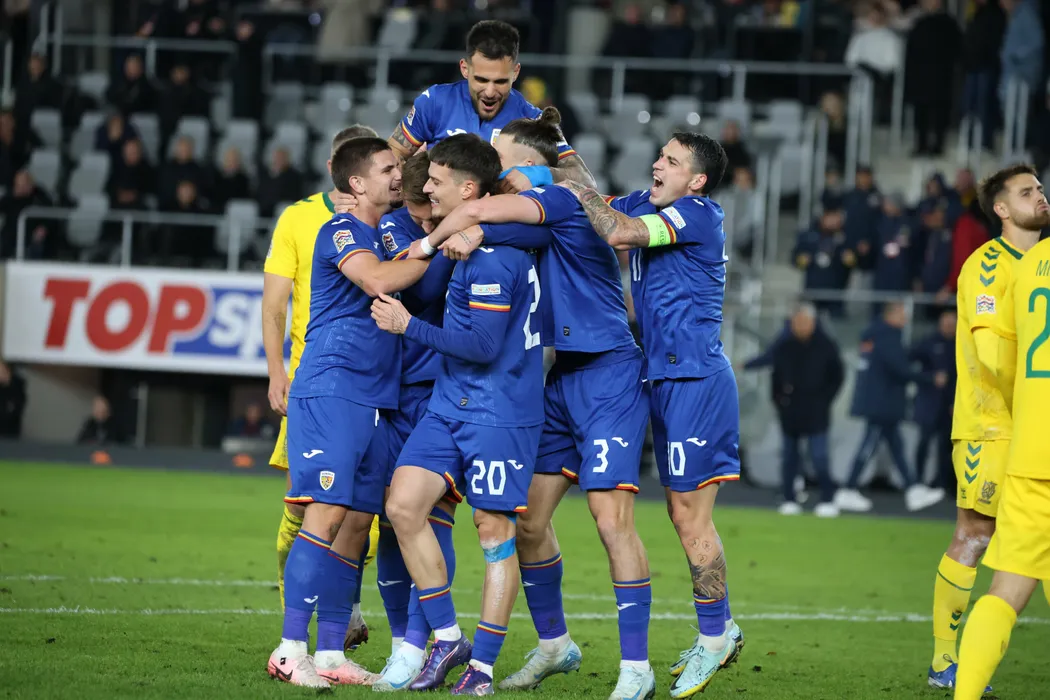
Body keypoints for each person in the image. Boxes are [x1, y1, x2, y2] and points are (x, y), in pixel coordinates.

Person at [417, 109, 657, 700]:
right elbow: (500, 228)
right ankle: (555, 644)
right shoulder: (532, 215)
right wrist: (476, 233)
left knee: (611, 520)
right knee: (528, 521)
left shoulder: (559, 199)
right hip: (562, 377)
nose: (491, 163)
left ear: (526, 164)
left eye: (498, 155)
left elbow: (479, 212)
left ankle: (636, 668)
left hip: (608, 373)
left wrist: (454, 231)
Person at [552, 133, 743, 698]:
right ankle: (720, 629)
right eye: (659, 154)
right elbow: (596, 200)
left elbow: (615, 231)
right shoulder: (649, 203)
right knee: (681, 513)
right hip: (663, 376)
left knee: (689, 517)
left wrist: (576, 191)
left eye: (672, 160)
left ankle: (715, 636)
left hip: (695, 382)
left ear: (697, 181)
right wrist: (559, 148)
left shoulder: (697, 214)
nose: (657, 163)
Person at [373, 134, 544, 694]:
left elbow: (483, 346)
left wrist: (408, 327)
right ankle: (447, 637)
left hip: (500, 412)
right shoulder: (469, 240)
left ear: (469, 190)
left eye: (436, 180)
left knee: (494, 532)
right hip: (450, 404)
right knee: (403, 505)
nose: (425, 187)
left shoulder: (495, 257)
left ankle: (483, 668)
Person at [267, 136, 431, 689]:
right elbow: (379, 281)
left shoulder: (380, 234)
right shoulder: (340, 230)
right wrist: (436, 243)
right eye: (387, 168)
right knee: (327, 514)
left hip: (374, 397)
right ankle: (290, 648)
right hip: (332, 389)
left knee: (356, 525)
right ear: (357, 183)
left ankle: (332, 652)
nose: (398, 174)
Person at [261, 125, 381, 655]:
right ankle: (293, 617)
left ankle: (343, 613)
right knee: (305, 510)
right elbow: (274, 302)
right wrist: (276, 371)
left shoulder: (383, 220)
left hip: (368, 384)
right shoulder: (299, 217)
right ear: (341, 169)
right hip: (314, 381)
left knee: (363, 517)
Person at [929, 164, 1046, 693]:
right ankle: (944, 660)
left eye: (1040, 188)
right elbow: (993, 355)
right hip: (992, 425)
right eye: (1026, 192)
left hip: (1032, 428)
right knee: (976, 533)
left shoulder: (1040, 264)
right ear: (1001, 209)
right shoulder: (986, 265)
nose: (1039, 196)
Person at [369, 152, 462, 691]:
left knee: (431, 515)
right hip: (396, 392)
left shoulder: (468, 225)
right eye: (423, 196)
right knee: (392, 519)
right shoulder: (394, 228)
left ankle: (419, 646)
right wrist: (445, 237)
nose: (428, 205)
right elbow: (423, 292)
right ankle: (403, 642)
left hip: (443, 394)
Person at [388, 19, 594, 188]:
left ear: (515, 73)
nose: (489, 92)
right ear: (464, 68)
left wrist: (540, 174)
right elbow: (393, 155)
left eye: (500, 82)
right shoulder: (435, 101)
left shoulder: (534, 120)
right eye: (481, 80)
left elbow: (585, 179)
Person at [835, 302, 947, 513]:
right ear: (891, 315)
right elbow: (901, 370)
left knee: (896, 447)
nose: (905, 319)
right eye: (902, 314)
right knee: (869, 445)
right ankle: (848, 489)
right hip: (882, 402)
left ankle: (913, 489)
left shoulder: (874, 335)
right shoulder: (888, 337)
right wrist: (931, 378)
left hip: (879, 401)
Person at [743, 303, 844, 516]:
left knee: (819, 457)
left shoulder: (826, 346)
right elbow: (776, 377)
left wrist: (824, 400)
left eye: (804, 322)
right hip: (790, 412)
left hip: (817, 411)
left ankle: (828, 498)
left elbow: (837, 376)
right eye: (797, 322)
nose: (800, 326)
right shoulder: (785, 346)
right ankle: (789, 497)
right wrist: (780, 402)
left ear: (813, 323)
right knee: (789, 457)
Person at [910, 309, 956, 488]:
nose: (949, 327)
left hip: (949, 404)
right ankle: (918, 481)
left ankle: (941, 483)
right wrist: (930, 378)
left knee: (946, 447)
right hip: (929, 403)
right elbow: (908, 362)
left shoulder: (960, 344)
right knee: (924, 443)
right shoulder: (928, 342)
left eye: (952, 324)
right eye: (946, 323)